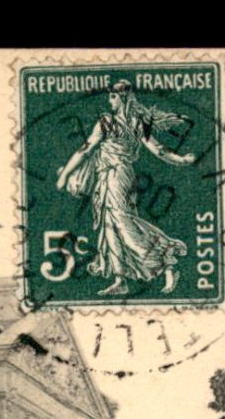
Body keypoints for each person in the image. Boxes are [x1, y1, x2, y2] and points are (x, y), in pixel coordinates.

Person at [56, 81, 197, 296]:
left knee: (122, 222)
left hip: (117, 176)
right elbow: (157, 150)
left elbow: (86, 150)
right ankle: (120, 278)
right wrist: (181, 160)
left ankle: (167, 261)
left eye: (113, 97)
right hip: (107, 177)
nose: (109, 100)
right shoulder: (123, 122)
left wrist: (181, 160)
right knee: (109, 224)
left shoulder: (118, 122)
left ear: (122, 98)